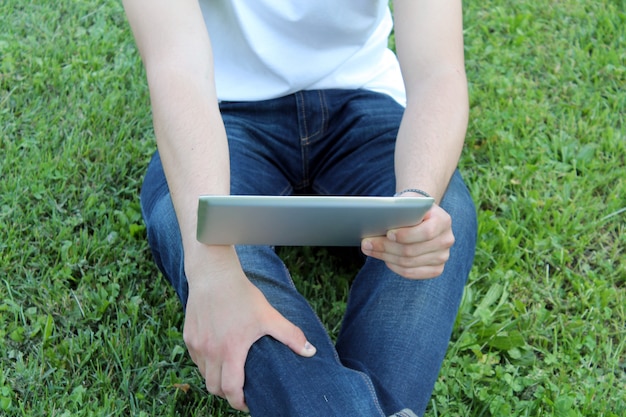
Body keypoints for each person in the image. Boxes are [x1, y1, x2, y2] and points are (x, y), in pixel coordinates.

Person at [123, 0, 477, 416]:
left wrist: (416, 200)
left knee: (438, 211)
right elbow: (175, 65)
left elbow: (439, 71)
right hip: (223, 113)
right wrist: (211, 273)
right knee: (193, 224)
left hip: (362, 101)